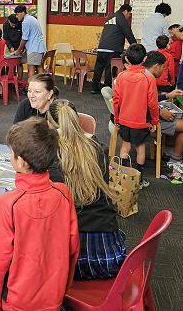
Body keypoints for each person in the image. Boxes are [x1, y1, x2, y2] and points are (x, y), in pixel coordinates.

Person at [0, 118, 79, 310]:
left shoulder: (7, 204)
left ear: (21, 161)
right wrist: (64, 286)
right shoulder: (63, 193)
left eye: (11, 152)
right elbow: (73, 246)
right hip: (54, 295)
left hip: (18, 300)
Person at [48, 100, 127, 280]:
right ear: (75, 119)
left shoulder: (51, 156)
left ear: (50, 124)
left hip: (70, 263)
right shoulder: (99, 149)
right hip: (109, 259)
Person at [113, 44, 159, 189]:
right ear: (145, 59)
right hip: (141, 121)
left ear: (126, 58)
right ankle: (138, 180)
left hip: (124, 119)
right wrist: (154, 121)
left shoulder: (121, 76)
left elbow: (116, 101)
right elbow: (153, 103)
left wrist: (117, 119)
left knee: (125, 146)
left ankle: (122, 178)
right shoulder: (149, 78)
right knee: (140, 147)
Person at [144, 51, 183, 171]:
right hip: (148, 120)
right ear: (156, 66)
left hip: (148, 115)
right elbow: (143, 103)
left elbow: (149, 99)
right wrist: (160, 111)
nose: (163, 71)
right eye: (163, 67)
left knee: (178, 118)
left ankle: (168, 150)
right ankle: (175, 159)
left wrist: (167, 96)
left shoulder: (143, 75)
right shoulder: (148, 79)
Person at [91, 4, 136, 94]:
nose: (129, 16)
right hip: (113, 48)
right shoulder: (121, 18)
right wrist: (135, 46)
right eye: (129, 14)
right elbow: (128, 33)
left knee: (99, 68)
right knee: (110, 69)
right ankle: (107, 88)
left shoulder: (110, 17)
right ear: (125, 11)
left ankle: (94, 87)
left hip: (102, 47)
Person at [13, 5, 46, 79]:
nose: (16, 16)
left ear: (22, 13)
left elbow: (24, 38)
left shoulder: (26, 22)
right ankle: (42, 85)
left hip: (34, 48)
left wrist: (18, 50)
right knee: (39, 67)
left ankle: (31, 85)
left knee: (31, 69)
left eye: (17, 14)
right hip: (39, 47)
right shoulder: (32, 18)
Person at [3, 13, 23, 79]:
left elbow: (23, 37)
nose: (14, 27)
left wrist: (21, 48)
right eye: (12, 25)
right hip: (10, 44)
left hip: (19, 44)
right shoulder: (5, 25)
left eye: (15, 25)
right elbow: (5, 37)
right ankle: (10, 80)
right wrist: (10, 47)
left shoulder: (20, 23)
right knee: (9, 63)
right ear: (9, 21)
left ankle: (19, 80)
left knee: (19, 63)